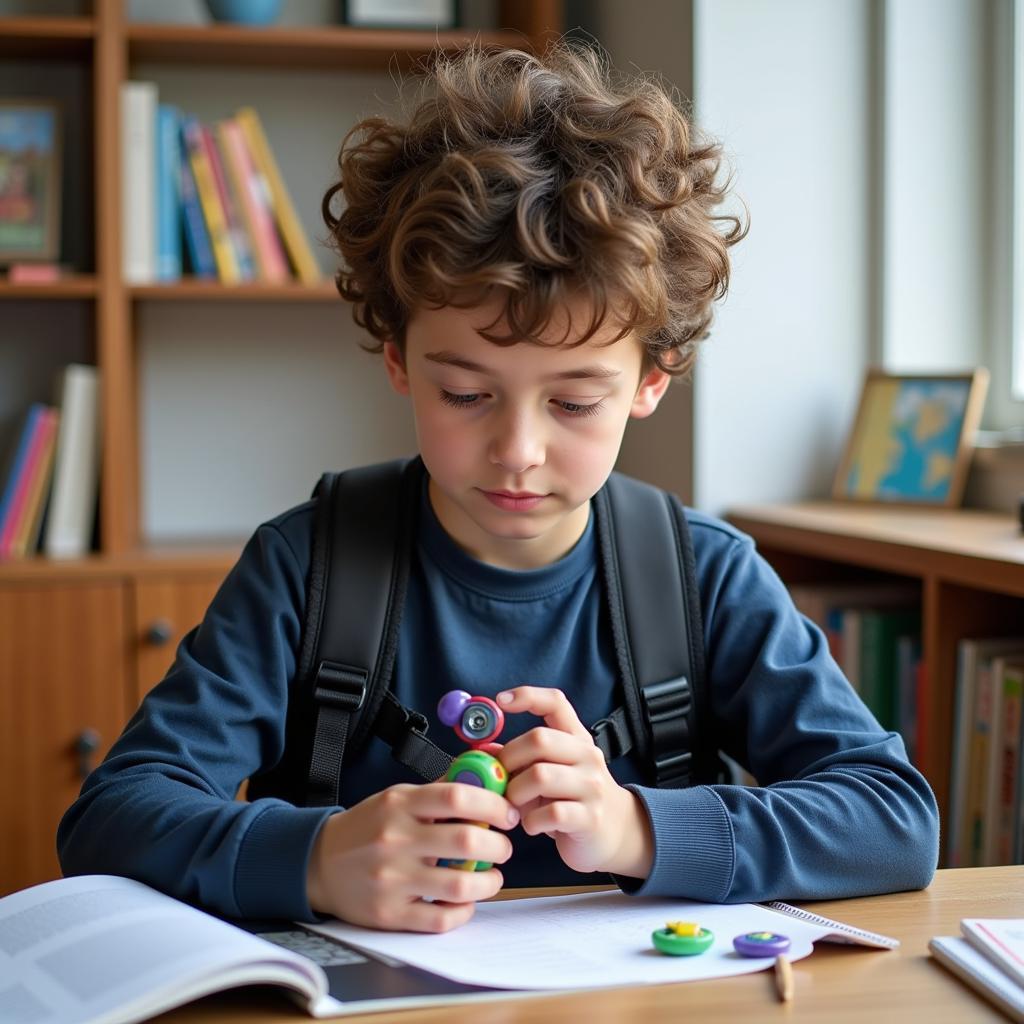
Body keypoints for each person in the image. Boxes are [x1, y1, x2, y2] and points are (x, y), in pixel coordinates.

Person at [57, 41, 939, 933]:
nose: (517, 450)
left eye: (574, 401)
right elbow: (111, 816)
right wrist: (319, 858)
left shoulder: (702, 577)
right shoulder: (305, 566)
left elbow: (894, 822)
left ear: (651, 382)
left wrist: (640, 827)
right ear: (399, 359)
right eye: (467, 393)